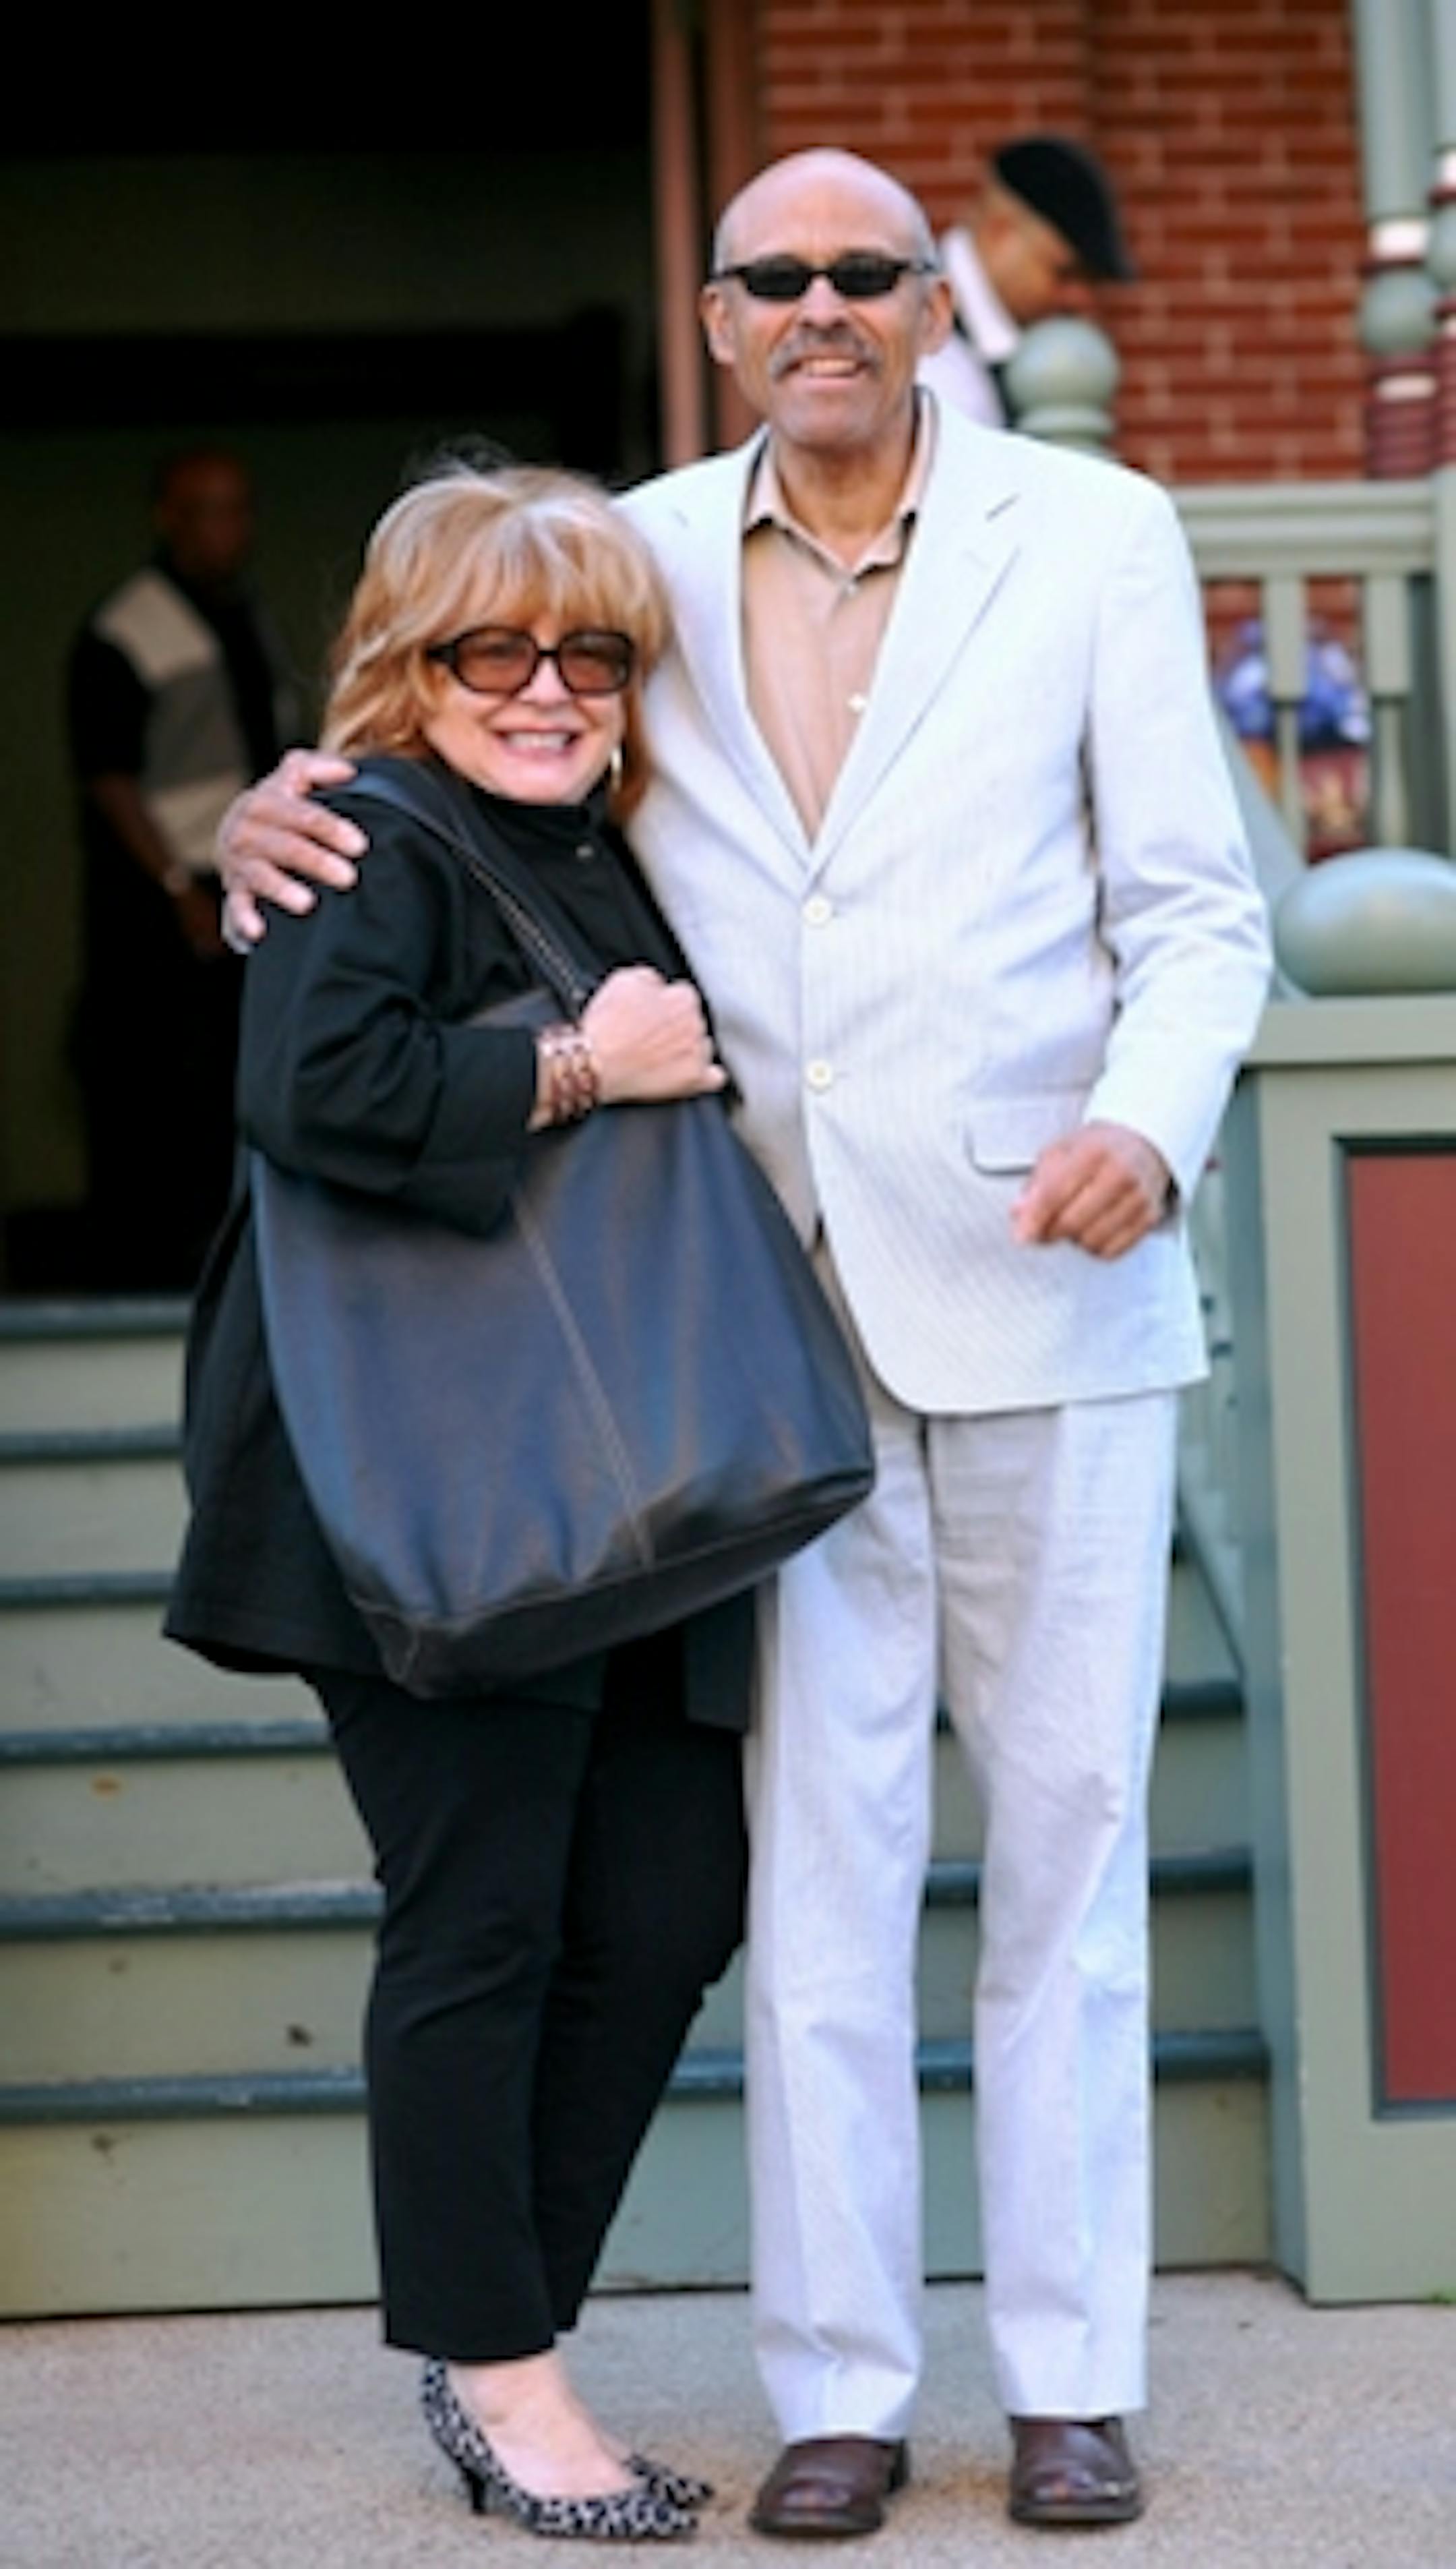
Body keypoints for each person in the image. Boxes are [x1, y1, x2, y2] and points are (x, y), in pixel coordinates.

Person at [214, 149, 1273, 2537]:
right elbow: (455, 737)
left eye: (864, 272)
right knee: (809, 1877)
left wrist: (1149, 1115)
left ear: (932, 305)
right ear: (714, 318)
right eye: (773, 274)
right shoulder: (640, 559)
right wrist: (272, 816)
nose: (821, 305)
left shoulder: (1097, 536)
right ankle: (842, 2393)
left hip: (1050, 1270)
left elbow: (1201, 908)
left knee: (1072, 1860)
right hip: (736, 1328)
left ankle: (1074, 2378)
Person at [166, 463, 752, 2542]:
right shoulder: (370, 831)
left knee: (671, 1904)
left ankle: (493, 2322)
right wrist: (584, 1066)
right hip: (424, 1474)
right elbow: (312, 1086)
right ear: (409, 665)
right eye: (494, 647)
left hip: (617, 1464)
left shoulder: (607, 846)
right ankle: (507, 2378)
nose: (548, 686)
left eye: (590, 650)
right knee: (483, 1914)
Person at [67, 446, 299, 1289]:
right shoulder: (127, 628)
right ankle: (154, 1269)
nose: (226, 529)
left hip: (250, 882)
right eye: (206, 510)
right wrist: (174, 887)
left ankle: (234, 1255)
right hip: (173, 893)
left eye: (238, 508)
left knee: (241, 1072)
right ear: (168, 518)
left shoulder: (247, 615)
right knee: (164, 1081)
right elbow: (108, 775)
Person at [917, 131, 1134, 427]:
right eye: (1065, 273)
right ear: (1000, 233)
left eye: (1092, 280)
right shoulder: (921, 341)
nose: (1080, 299)